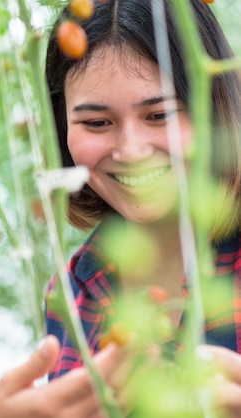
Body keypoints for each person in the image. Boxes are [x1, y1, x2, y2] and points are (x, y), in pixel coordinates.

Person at [43, 0, 241, 415]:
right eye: (96, 123)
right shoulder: (72, 288)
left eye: (160, 114)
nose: (131, 152)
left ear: (217, 106)